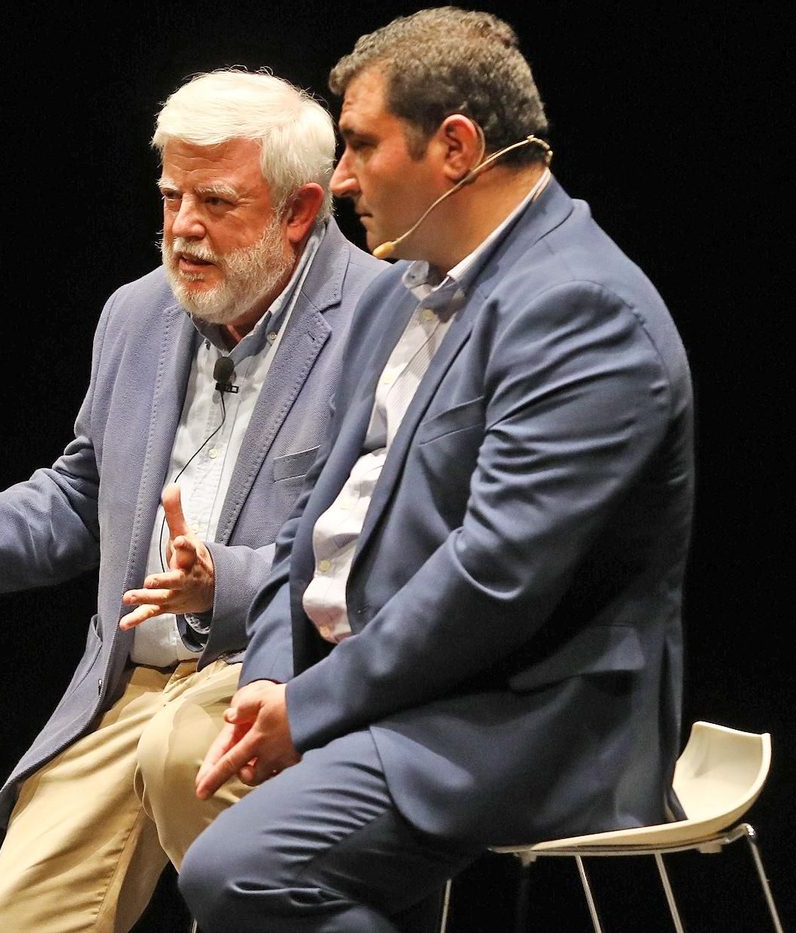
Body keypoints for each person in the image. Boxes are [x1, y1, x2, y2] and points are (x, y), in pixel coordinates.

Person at [0, 70, 385, 933]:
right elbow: (80, 498)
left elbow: (383, 542)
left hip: (277, 675)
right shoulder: (138, 315)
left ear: (298, 210)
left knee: (212, 812)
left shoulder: (384, 319)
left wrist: (229, 581)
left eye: (214, 202)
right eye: (170, 196)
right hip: (128, 686)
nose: (182, 230)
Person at [178, 10, 694, 932]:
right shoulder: (406, 286)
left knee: (238, 871)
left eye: (361, 146)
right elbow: (315, 514)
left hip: (521, 717)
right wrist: (269, 671)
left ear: (454, 146)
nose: (338, 180)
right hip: (397, 688)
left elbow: (496, 577)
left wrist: (312, 704)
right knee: (197, 786)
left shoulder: (581, 309)